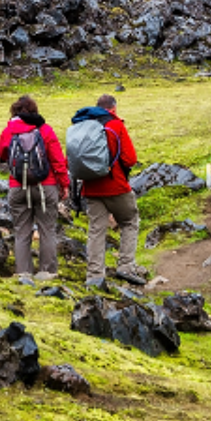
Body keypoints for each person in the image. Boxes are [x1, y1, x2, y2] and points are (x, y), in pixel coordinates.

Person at [72, 93, 142, 287]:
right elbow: (130, 159)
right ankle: (126, 266)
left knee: (96, 230)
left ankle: (94, 275)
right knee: (130, 221)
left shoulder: (83, 127)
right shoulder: (115, 125)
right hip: (116, 185)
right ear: (113, 109)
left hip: (90, 187)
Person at [0, 95, 67, 280]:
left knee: (21, 231)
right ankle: (47, 271)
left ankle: (23, 272)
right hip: (46, 186)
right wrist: (64, 184)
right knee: (47, 229)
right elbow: (57, 160)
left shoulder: (9, 130)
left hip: (18, 186)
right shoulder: (45, 129)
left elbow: (1, 153)